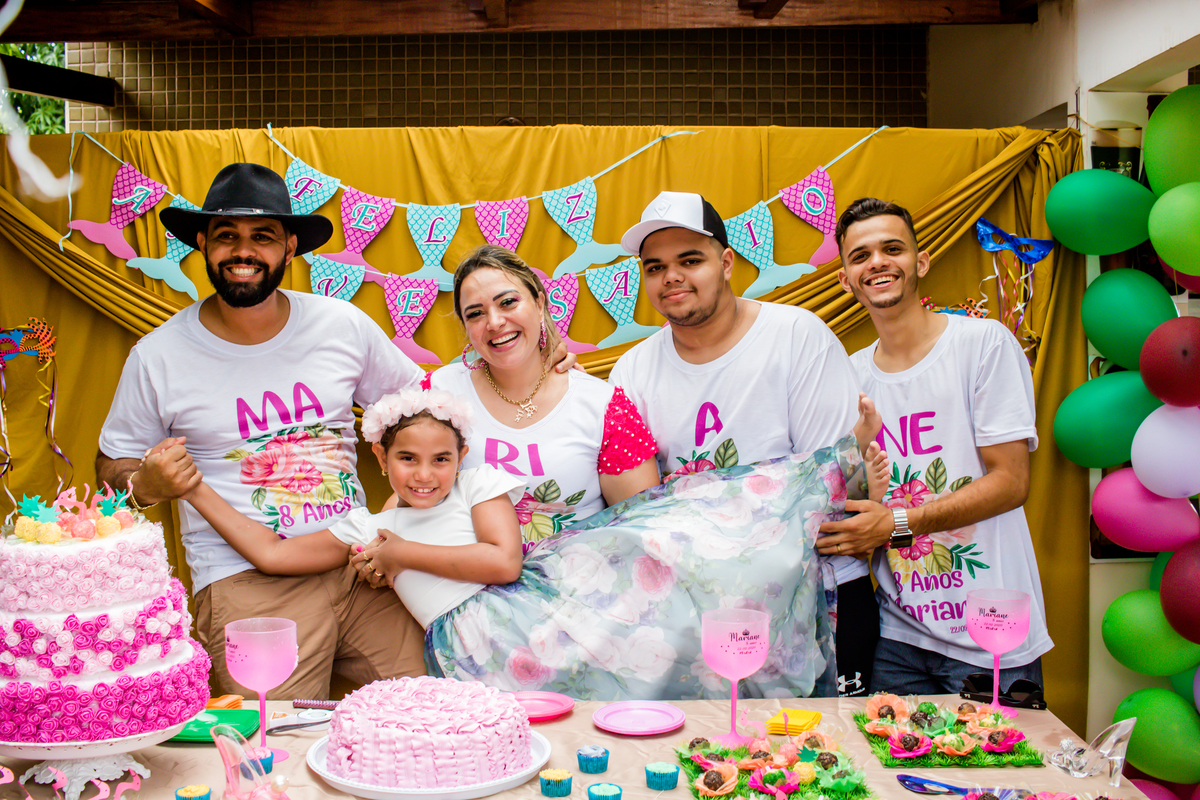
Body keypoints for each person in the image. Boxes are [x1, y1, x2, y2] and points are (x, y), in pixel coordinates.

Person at [187, 386, 861, 699]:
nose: (425, 475)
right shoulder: (368, 527)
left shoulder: (477, 486)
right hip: (464, 646)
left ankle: (819, 480)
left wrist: (398, 554)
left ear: (461, 457)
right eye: (408, 459)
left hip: (526, 614)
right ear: (381, 459)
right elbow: (274, 554)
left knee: (667, 562)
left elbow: (503, 562)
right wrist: (194, 489)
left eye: (440, 459)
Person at [95, 162, 429, 700]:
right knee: (270, 737)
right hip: (244, 581)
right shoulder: (158, 356)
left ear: (290, 248)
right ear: (202, 243)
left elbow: (421, 413)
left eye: (263, 237)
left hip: (360, 565)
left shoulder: (341, 325)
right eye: (227, 235)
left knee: (435, 706)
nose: (243, 251)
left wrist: (398, 510)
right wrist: (145, 486)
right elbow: (113, 465)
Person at [609, 191, 879, 697]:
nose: (671, 277)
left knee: (821, 744)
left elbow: (829, 486)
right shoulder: (634, 370)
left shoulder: (796, 336)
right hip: (700, 610)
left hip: (816, 597)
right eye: (655, 267)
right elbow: (639, 513)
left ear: (727, 263)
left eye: (690, 260)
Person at [819, 197, 1052, 694]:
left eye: (892, 249)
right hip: (898, 636)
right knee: (885, 749)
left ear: (920, 262)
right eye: (860, 256)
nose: (877, 262)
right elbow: (854, 498)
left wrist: (895, 524)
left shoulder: (982, 345)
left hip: (991, 634)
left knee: (996, 751)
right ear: (845, 279)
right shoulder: (849, 376)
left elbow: (1011, 482)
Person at [424, 244, 661, 545]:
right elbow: (409, 495)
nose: (494, 322)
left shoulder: (604, 405)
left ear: (539, 304)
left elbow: (640, 526)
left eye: (508, 302)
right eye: (476, 314)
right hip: (461, 569)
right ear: (466, 327)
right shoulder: (439, 394)